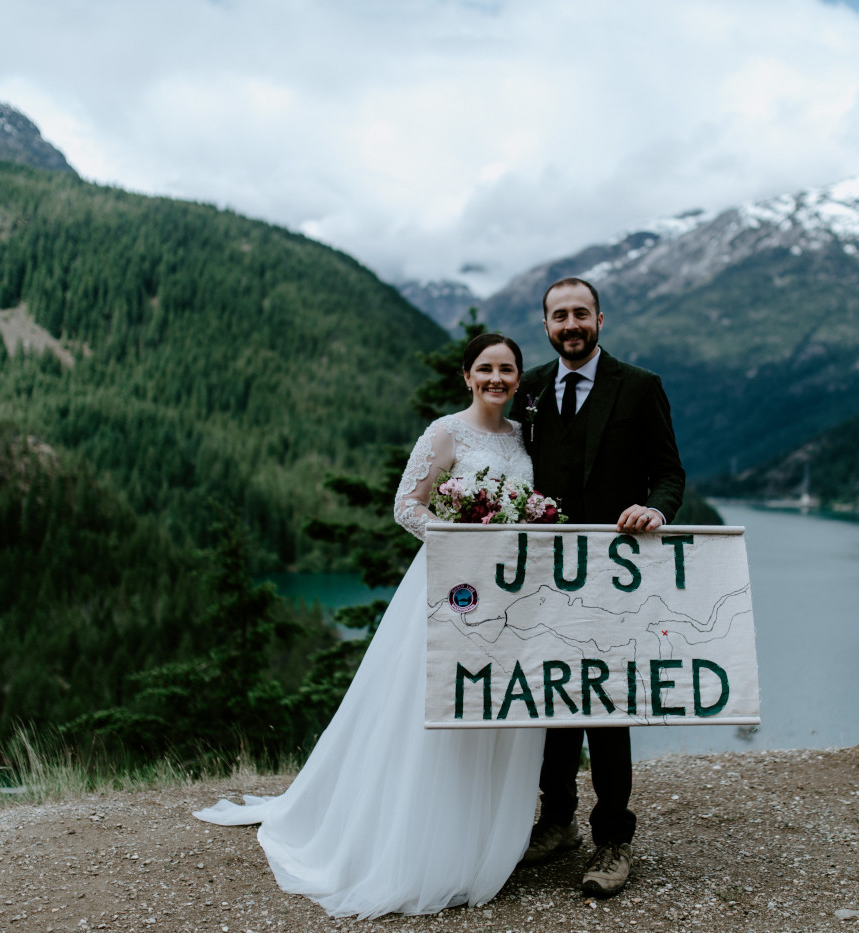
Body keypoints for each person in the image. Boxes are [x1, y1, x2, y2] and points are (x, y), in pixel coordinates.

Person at [193, 333, 545, 919]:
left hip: (508, 596)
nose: (497, 379)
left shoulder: (522, 438)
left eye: (507, 370)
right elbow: (408, 505)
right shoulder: (444, 431)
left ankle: (481, 841)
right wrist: (461, 540)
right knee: (433, 706)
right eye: (485, 369)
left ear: (518, 378)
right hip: (451, 588)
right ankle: (419, 847)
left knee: (492, 706)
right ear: (466, 376)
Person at [512, 276, 686, 898]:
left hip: (616, 576)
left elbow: (668, 472)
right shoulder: (528, 387)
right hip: (544, 578)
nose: (570, 325)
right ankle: (554, 822)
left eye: (580, 313)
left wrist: (656, 511)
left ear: (600, 319)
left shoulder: (640, 387)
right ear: (546, 326)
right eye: (559, 316)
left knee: (608, 704)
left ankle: (613, 838)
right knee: (551, 697)